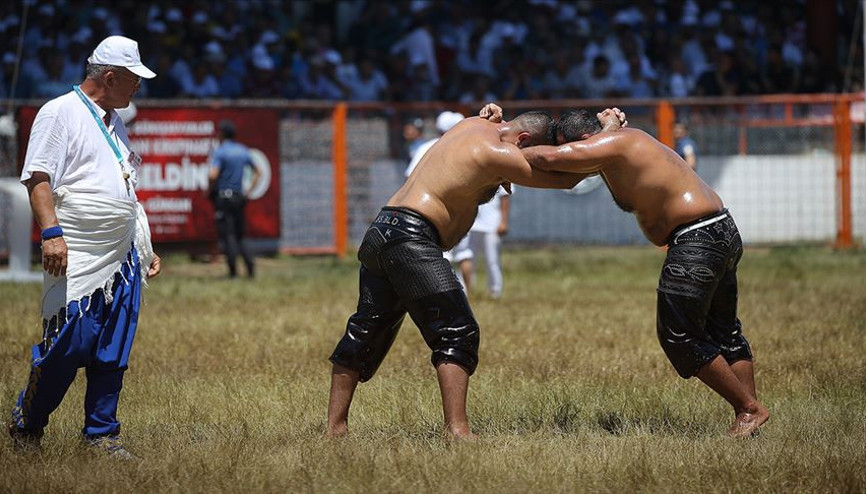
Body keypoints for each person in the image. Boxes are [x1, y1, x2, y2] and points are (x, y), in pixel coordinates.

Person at [327, 104, 626, 439]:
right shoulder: (498, 152)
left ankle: (335, 429)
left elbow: (492, 127)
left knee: (365, 330)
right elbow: (568, 177)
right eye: (531, 152)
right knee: (457, 330)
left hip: (382, 231)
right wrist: (610, 135)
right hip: (412, 239)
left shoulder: (473, 125)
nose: (532, 159)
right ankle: (457, 430)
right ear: (523, 139)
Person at [520, 107, 770, 438]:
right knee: (725, 332)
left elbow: (551, 159)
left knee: (679, 335)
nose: (572, 160)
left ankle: (749, 410)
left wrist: (508, 149)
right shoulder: (612, 150)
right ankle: (749, 416)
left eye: (571, 149)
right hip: (717, 230)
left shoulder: (618, 143)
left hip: (697, 238)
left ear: (582, 141)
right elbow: (565, 169)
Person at [8, 36, 161, 458]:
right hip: (78, 246)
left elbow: (125, 187)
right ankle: (28, 425)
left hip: (122, 251)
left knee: (114, 345)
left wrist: (145, 246)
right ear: (110, 77)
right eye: (133, 79)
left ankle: (102, 434)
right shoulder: (60, 112)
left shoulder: (116, 120)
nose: (138, 88)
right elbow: (38, 177)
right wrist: (51, 233)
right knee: (68, 341)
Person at [208, 119, 260, 278]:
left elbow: (213, 175)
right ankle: (250, 269)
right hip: (239, 196)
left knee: (228, 235)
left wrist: (209, 190)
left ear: (222, 134)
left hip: (224, 197)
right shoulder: (243, 151)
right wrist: (248, 191)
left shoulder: (221, 152)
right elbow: (258, 171)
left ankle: (233, 273)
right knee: (241, 234)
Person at [455, 188, 511, 298]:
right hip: (471, 223)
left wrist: (503, 221)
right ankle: (464, 290)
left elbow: (505, 198)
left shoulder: (504, 173)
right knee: (465, 257)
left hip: (492, 225)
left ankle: (495, 291)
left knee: (492, 260)